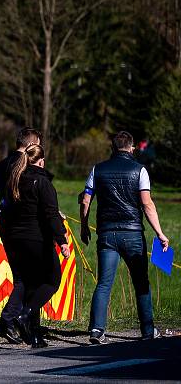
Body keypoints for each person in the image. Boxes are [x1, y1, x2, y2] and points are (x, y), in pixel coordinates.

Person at [80, 131, 170, 344]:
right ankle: (148, 331)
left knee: (104, 283)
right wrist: (160, 233)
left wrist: (84, 227)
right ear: (131, 148)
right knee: (141, 283)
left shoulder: (97, 169)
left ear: (113, 148)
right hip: (133, 235)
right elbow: (147, 204)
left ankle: (96, 330)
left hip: (107, 234)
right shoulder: (140, 170)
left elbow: (85, 201)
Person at [4, 143, 70, 348]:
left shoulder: (14, 179)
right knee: (52, 281)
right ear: (41, 161)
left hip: (15, 239)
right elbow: (50, 214)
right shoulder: (42, 182)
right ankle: (26, 314)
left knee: (32, 286)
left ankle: (34, 337)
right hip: (37, 239)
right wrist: (62, 241)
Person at [0, 127, 42, 344]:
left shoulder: (1, 165)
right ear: (32, 145)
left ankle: (23, 326)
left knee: (22, 277)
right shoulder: (26, 165)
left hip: (6, 224)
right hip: (26, 226)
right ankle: (11, 319)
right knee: (30, 279)